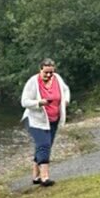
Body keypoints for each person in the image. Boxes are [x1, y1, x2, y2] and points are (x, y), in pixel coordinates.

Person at [20, 58, 70, 187]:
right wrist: (39, 103)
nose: (48, 75)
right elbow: (24, 102)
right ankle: (45, 178)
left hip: (53, 120)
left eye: (51, 72)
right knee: (44, 144)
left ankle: (35, 177)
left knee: (44, 146)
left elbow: (65, 90)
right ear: (40, 70)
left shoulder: (58, 79)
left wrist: (66, 101)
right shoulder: (32, 82)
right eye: (46, 72)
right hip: (35, 121)